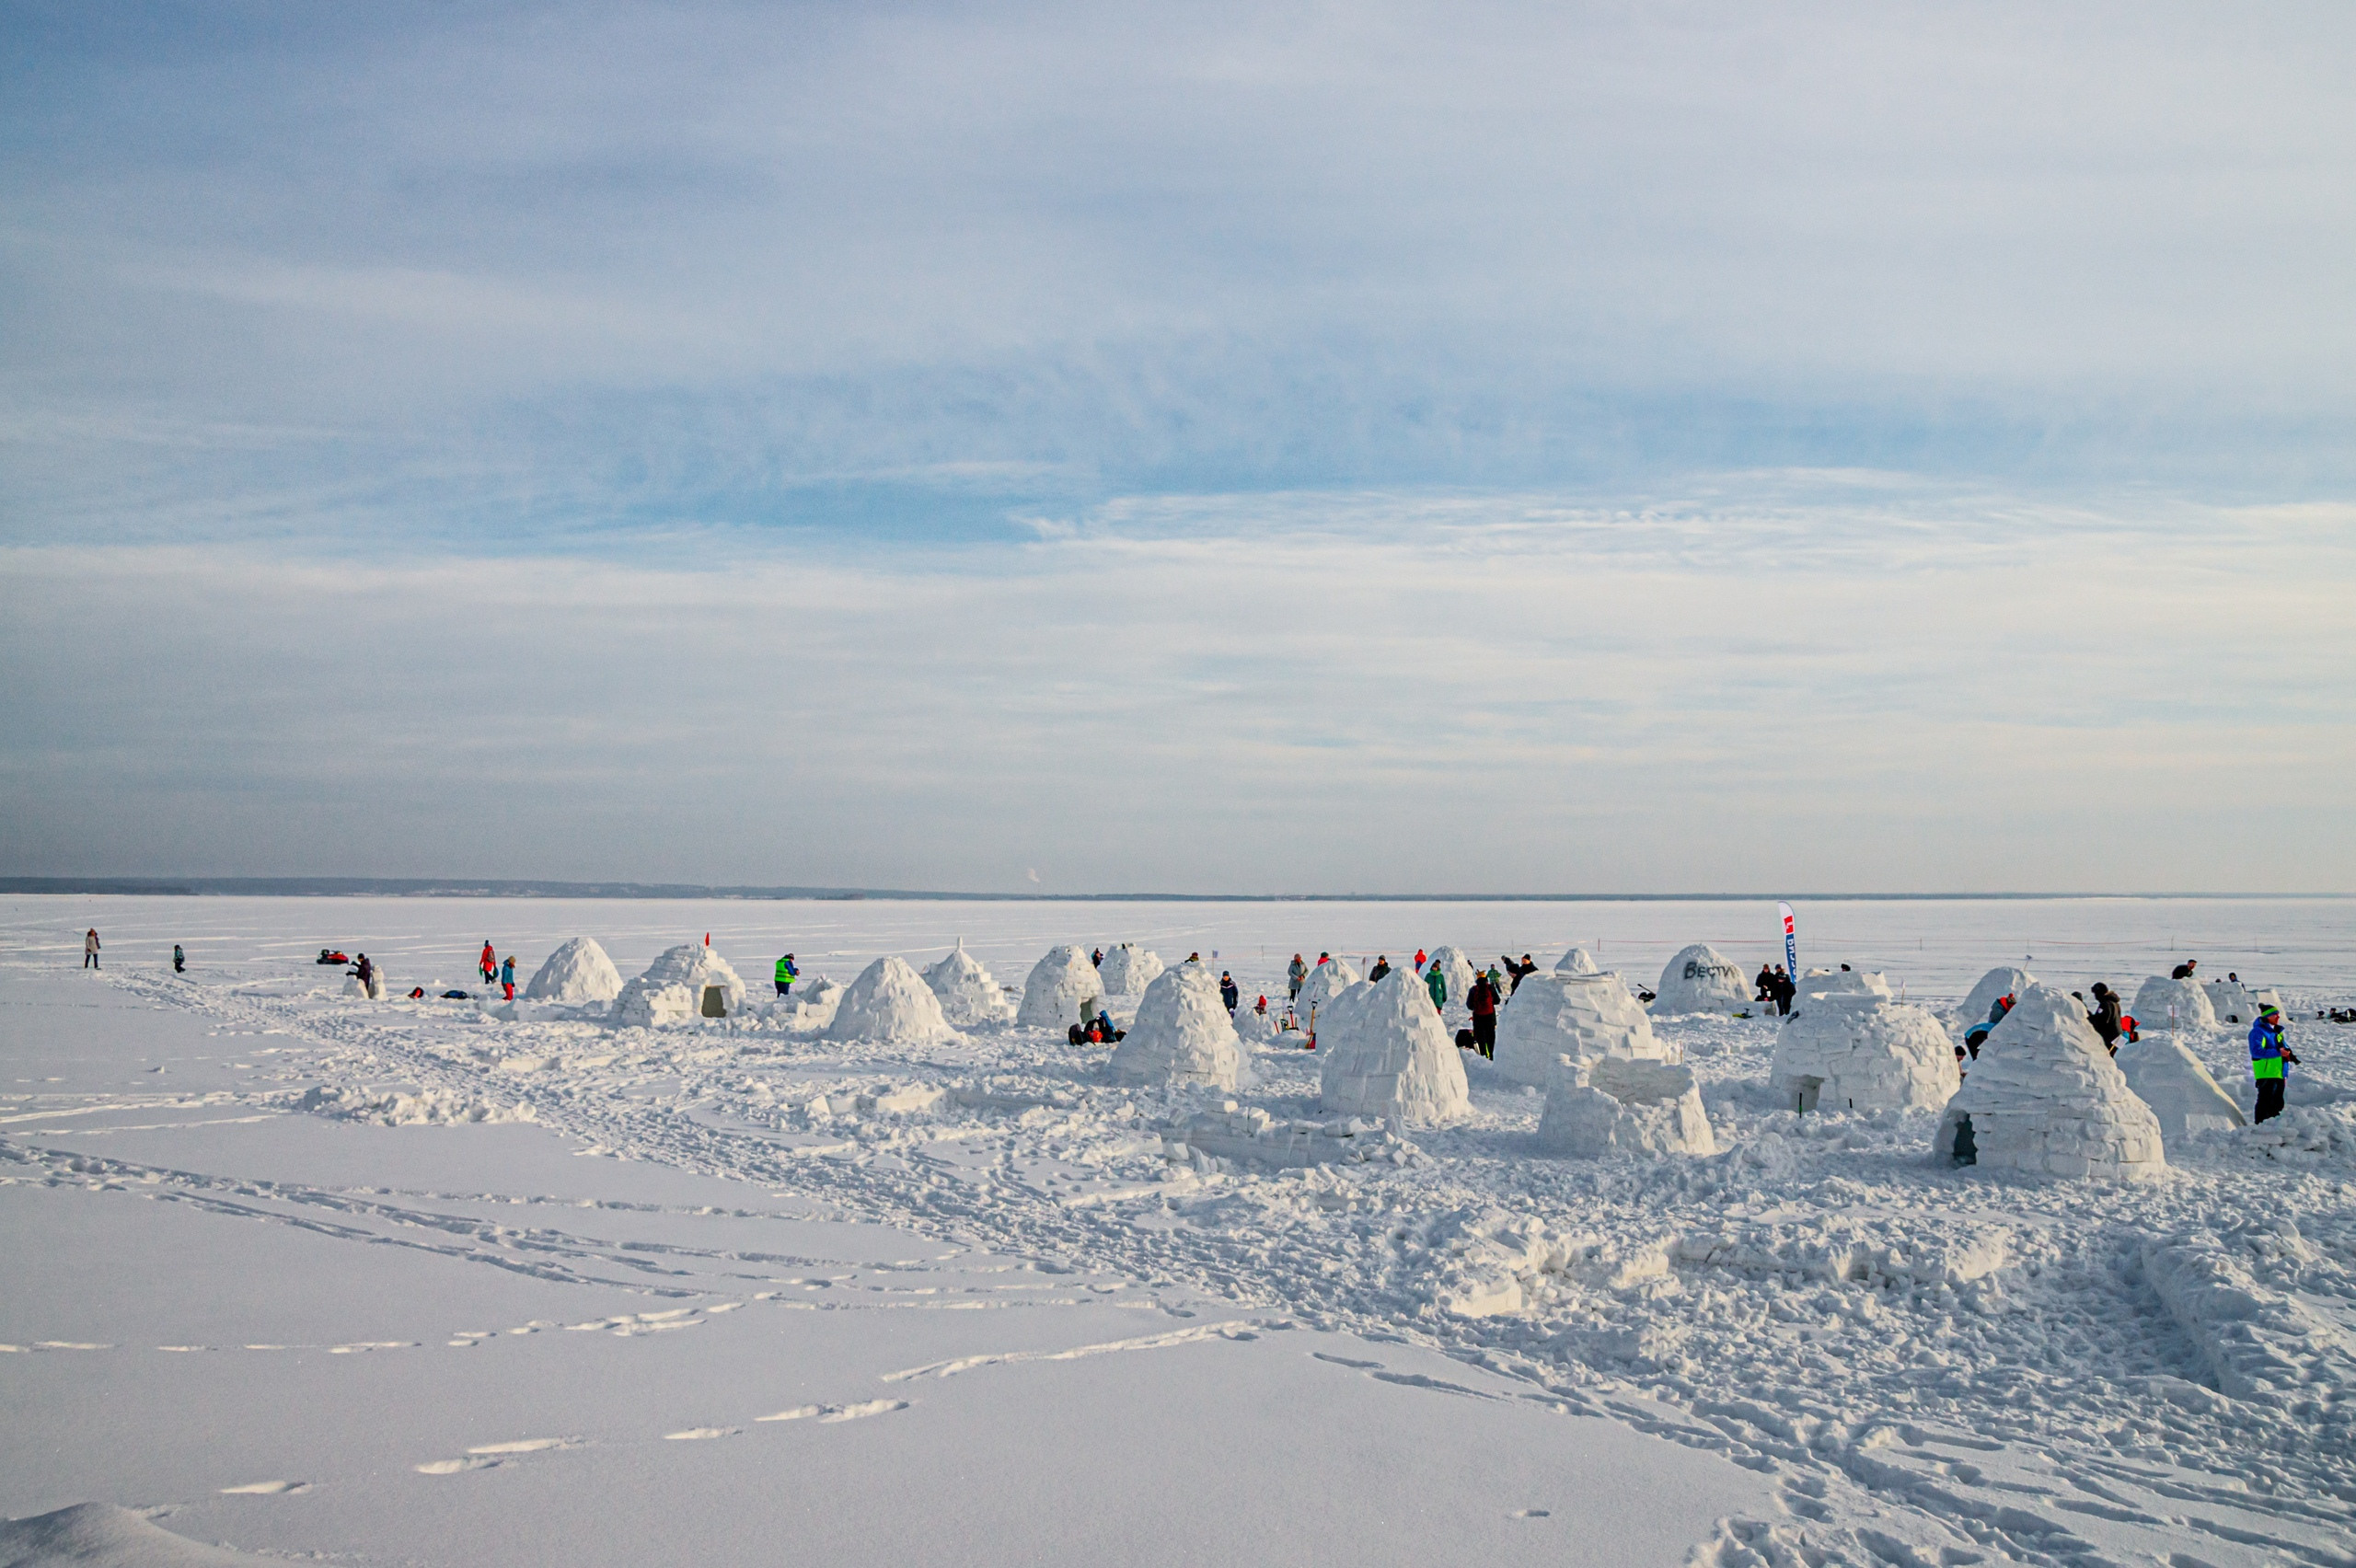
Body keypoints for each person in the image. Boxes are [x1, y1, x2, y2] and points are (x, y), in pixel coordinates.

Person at [2249, 1004, 2298, 1123]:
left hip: (2278, 1073)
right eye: (2275, 1014)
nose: (2278, 1017)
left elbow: (2283, 1049)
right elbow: (2256, 1052)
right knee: (2265, 1102)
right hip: (2267, 1073)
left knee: (2277, 1104)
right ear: (2267, 1016)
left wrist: (2289, 1056)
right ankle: (2260, 1129)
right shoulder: (2258, 1032)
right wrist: (2278, 1052)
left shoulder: (2276, 1032)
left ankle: (2275, 1130)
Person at [1467, 970, 1499, 1057]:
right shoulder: (1490, 988)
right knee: (1490, 1037)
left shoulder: (1473, 990)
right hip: (1490, 1017)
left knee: (1480, 1037)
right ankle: (1491, 1055)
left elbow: (1469, 1005)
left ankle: (1483, 1055)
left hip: (1478, 1018)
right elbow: (1497, 1001)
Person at [2086, 982, 2124, 1053]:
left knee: (2108, 1061)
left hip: (2111, 1039)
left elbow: (2101, 1021)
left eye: (2095, 993)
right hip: (2119, 1038)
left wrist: (2089, 1017)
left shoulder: (2106, 1004)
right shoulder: (2114, 1003)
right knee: (2116, 1060)